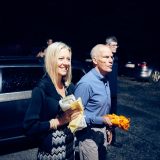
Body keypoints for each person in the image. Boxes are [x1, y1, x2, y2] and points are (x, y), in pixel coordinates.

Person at [23, 42, 80, 160]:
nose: (66, 63)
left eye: (68, 59)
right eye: (61, 58)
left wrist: (77, 115)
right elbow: (29, 127)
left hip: (70, 149)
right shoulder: (41, 89)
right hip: (51, 153)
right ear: (51, 60)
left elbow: (73, 116)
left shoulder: (69, 87)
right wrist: (59, 121)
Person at [74, 44, 113, 160]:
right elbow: (74, 117)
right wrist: (101, 120)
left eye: (111, 57)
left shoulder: (105, 78)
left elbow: (104, 108)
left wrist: (108, 127)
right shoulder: (86, 83)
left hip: (102, 131)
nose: (111, 60)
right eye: (106, 57)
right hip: (88, 136)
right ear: (95, 60)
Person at [105, 36, 122, 147]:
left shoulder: (115, 58)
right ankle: (105, 138)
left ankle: (112, 139)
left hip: (114, 93)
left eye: (117, 45)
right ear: (107, 45)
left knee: (113, 116)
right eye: (114, 45)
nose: (116, 47)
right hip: (106, 93)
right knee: (105, 116)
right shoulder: (104, 59)